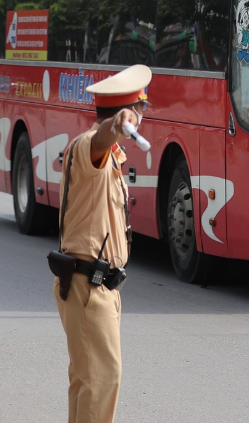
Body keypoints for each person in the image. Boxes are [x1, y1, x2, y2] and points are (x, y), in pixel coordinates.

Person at [52, 64, 151, 423]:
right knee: (99, 380)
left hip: (98, 285)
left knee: (89, 380)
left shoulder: (109, 158)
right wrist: (115, 125)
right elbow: (100, 140)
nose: (143, 116)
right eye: (142, 109)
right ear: (131, 111)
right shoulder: (88, 148)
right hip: (87, 285)